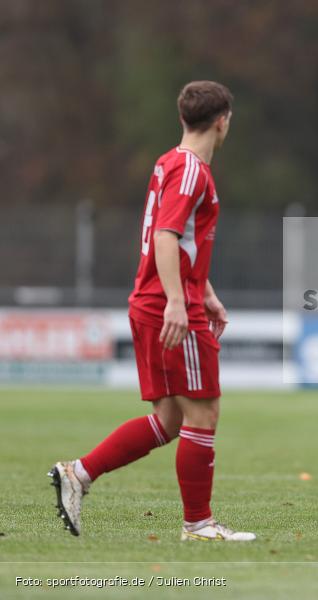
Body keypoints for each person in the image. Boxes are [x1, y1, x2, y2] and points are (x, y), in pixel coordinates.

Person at [48, 81, 255, 542]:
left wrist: (205, 293)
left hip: (153, 302)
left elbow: (182, 242)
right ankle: (199, 525)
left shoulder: (169, 162)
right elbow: (165, 236)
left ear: (183, 119)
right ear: (223, 121)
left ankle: (78, 474)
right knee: (204, 413)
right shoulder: (192, 172)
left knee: (170, 419)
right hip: (167, 306)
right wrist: (181, 304)